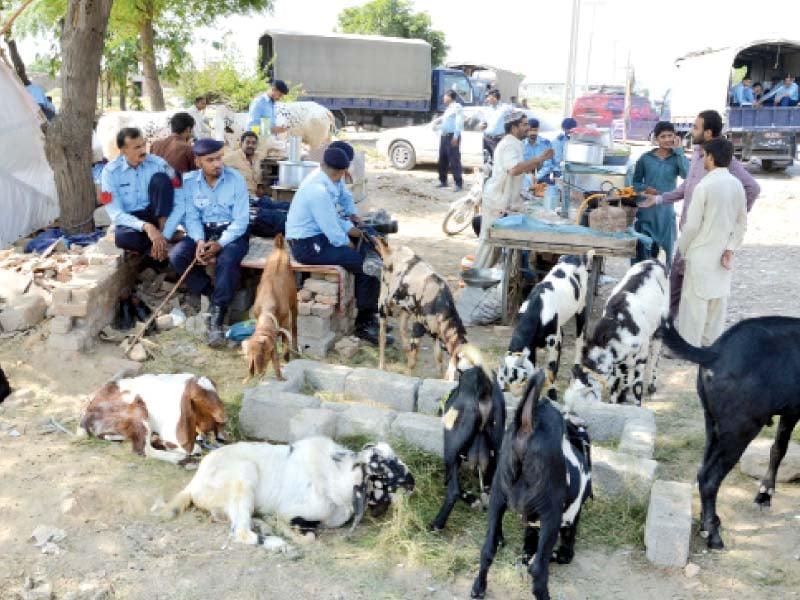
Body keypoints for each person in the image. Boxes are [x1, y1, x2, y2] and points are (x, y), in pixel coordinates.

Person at [639, 109, 759, 318]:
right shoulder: (698, 153)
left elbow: (752, 188)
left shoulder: (721, 158)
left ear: (709, 133)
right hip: (688, 233)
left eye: (696, 127)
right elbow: (686, 187)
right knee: (677, 283)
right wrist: (658, 199)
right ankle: (667, 328)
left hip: (704, 239)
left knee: (695, 292)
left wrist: (732, 220)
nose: (691, 131)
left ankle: (684, 336)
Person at [285, 146, 392, 346]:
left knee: (371, 247)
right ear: (325, 167)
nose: (338, 177)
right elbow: (334, 231)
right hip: (307, 245)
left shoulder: (331, 177)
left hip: (321, 235)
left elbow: (345, 199)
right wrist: (351, 243)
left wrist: (356, 219)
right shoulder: (317, 190)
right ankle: (365, 323)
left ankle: (373, 313)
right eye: (337, 174)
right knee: (367, 265)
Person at [169, 139, 251, 347]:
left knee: (228, 258)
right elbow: (191, 216)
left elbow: (241, 220)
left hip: (231, 230)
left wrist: (221, 243)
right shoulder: (189, 183)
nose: (217, 164)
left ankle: (217, 318)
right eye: (210, 160)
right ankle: (212, 294)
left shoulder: (236, 179)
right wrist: (198, 241)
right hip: (203, 230)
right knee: (177, 256)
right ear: (198, 163)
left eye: (219, 158)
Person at [676, 137, 746, 347]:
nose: (703, 160)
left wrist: (682, 248)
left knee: (694, 306)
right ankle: (712, 348)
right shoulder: (737, 185)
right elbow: (741, 223)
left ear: (711, 158)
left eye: (704, 156)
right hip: (723, 255)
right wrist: (730, 249)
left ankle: (689, 349)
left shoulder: (704, 186)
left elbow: (692, 226)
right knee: (717, 305)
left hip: (700, 254)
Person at [473, 111, 554, 269]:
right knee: (488, 245)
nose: (528, 128)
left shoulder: (515, 143)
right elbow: (514, 169)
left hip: (504, 199)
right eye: (524, 125)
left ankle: (484, 277)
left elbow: (519, 168)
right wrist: (540, 159)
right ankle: (476, 280)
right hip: (498, 199)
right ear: (514, 128)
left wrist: (536, 163)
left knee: (493, 247)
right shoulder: (510, 144)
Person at [101, 127, 183, 261]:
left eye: (144, 145)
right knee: (123, 238)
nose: (143, 150)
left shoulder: (157, 162)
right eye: (137, 147)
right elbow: (114, 212)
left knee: (161, 178)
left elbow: (177, 183)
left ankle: (164, 235)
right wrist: (147, 227)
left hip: (157, 215)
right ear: (123, 151)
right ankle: (158, 246)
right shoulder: (109, 172)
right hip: (133, 220)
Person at [631, 121, 687, 267]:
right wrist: (645, 188)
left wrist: (680, 151)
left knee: (664, 255)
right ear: (656, 139)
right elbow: (635, 183)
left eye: (670, 135)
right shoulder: (645, 158)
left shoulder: (677, 158)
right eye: (663, 136)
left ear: (676, 137)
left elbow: (687, 174)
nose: (668, 139)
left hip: (665, 213)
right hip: (646, 212)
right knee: (642, 253)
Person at [150, 112, 196, 177]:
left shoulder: (155, 145)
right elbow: (196, 175)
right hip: (180, 185)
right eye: (192, 130)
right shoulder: (189, 149)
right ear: (188, 129)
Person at [222, 131, 266, 197]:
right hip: (239, 197)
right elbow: (216, 165)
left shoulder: (258, 157)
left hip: (255, 197)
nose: (250, 145)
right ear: (241, 144)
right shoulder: (233, 157)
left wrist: (260, 186)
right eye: (247, 142)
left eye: (253, 143)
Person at [437, 90, 464, 192]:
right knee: (442, 160)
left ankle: (458, 183)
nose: (444, 98)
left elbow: (459, 122)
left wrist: (456, 136)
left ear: (450, 97)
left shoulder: (457, 107)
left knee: (454, 160)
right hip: (444, 136)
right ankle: (443, 181)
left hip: (452, 137)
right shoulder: (448, 109)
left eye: (445, 96)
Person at [522, 117, 555, 188]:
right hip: (526, 174)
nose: (533, 133)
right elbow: (520, 164)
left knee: (550, 187)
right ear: (527, 130)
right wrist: (529, 176)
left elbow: (548, 165)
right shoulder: (521, 144)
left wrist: (537, 177)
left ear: (538, 130)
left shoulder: (546, 143)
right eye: (530, 130)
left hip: (542, 174)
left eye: (535, 130)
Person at [480, 90, 511, 159]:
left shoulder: (505, 108)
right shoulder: (487, 109)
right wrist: (482, 125)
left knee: (498, 161)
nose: (487, 99)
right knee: (487, 162)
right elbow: (484, 122)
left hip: (498, 139)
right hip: (486, 138)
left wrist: (507, 133)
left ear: (494, 98)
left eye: (488, 97)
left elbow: (513, 121)